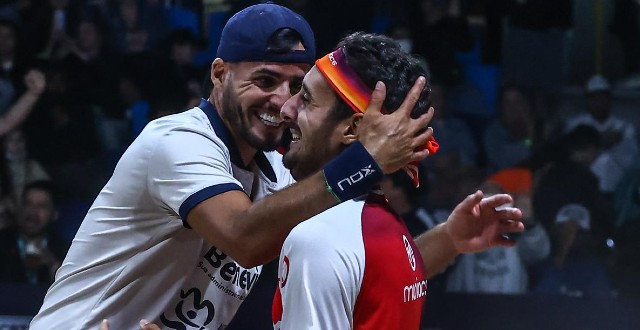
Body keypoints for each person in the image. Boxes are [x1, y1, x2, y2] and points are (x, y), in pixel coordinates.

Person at [28, 4, 433, 329]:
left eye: (297, 88)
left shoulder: (282, 166)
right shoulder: (177, 143)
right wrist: (365, 160)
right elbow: (244, 237)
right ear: (219, 73)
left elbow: (353, 267)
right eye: (265, 80)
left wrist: (450, 238)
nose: (282, 102)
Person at [271, 32, 524, 329]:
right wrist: (448, 240)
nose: (286, 108)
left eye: (307, 100)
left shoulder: (315, 240)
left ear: (353, 129)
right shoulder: (386, 224)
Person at [563, 75, 639, 195]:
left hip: (618, 190)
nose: (599, 102)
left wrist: (615, 143)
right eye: (594, 97)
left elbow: (632, 161)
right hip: (584, 189)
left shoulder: (624, 127)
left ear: (610, 99)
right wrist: (603, 140)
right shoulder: (575, 125)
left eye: (603, 97)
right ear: (588, 100)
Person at [0, 180, 69, 285]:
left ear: (54, 214)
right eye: (28, 203)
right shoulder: (3, 241)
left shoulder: (65, 250)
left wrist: (53, 266)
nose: (32, 211)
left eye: (42, 206)